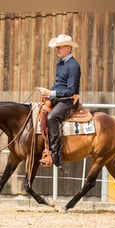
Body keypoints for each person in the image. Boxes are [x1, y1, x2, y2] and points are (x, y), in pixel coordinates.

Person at [38, 34, 81, 169]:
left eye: (60, 47)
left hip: (68, 101)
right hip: (59, 98)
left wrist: (50, 93)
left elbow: (71, 90)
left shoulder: (73, 66)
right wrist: (49, 94)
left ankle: (55, 154)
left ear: (68, 48)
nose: (57, 50)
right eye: (57, 47)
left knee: (51, 117)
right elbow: (58, 84)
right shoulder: (61, 63)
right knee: (40, 110)